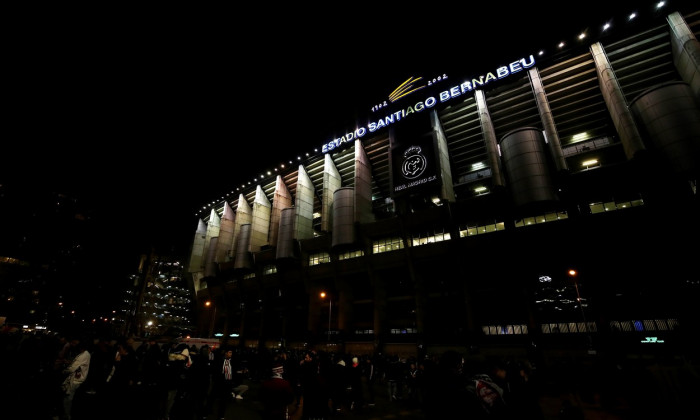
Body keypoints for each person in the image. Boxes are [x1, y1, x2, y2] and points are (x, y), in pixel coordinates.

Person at [212, 347, 249, 419]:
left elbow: (234, 371)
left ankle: (221, 415)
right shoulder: (220, 361)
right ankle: (207, 411)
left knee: (224, 400)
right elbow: (217, 371)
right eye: (229, 352)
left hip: (228, 383)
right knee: (213, 398)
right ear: (226, 353)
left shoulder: (232, 362)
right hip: (220, 382)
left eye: (231, 353)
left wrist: (242, 372)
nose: (231, 354)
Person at [60, 337, 91, 420]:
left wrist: (64, 371)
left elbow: (72, 368)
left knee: (67, 399)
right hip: (78, 378)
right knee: (68, 398)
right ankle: (67, 415)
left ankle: (67, 415)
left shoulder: (83, 355)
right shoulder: (86, 354)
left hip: (75, 380)